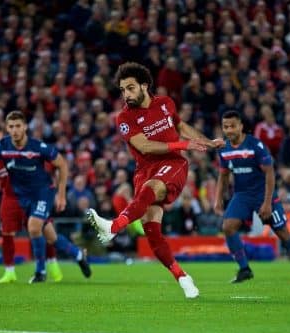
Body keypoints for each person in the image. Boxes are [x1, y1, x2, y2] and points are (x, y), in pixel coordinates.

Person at [86, 62, 222, 298]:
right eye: (122, 90)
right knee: (152, 231)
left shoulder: (166, 104)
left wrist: (206, 141)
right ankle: (183, 278)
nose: (126, 95)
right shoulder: (124, 118)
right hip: (144, 169)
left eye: (130, 88)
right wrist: (184, 144)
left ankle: (114, 226)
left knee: (152, 188)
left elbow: (180, 125)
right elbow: (145, 146)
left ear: (144, 86)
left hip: (173, 164)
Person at [0, 112, 91, 283]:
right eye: (11, 127)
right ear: (7, 129)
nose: (15, 130)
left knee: (33, 227)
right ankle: (78, 254)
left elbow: (61, 164)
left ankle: (40, 271)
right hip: (21, 196)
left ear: (25, 127)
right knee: (51, 237)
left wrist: (61, 195)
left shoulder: (38, 147)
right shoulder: (1, 147)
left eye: (18, 126)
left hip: (42, 193)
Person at [215, 110, 290, 283]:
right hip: (242, 195)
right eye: (225, 127)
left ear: (241, 127)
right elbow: (223, 175)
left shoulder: (255, 145)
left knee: (282, 233)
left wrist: (267, 203)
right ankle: (245, 269)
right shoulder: (224, 149)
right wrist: (217, 199)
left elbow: (270, 173)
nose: (228, 130)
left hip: (262, 193)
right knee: (228, 226)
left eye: (232, 126)